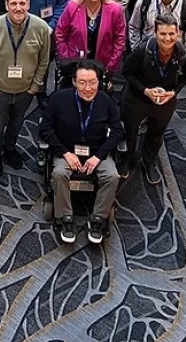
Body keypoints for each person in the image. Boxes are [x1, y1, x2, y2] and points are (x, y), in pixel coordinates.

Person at [40, 60, 124, 244]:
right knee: (60, 173)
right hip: (66, 150)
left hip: (96, 152)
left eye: (93, 82)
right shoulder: (58, 99)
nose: (88, 88)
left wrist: (98, 156)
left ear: (99, 82)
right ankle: (65, 219)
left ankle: (97, 219)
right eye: (83, 82)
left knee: (112, 176)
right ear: (74, 82)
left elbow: (118, 130)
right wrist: (65, 153)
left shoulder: (106, 100)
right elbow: (45, 129)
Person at [0, 0, 51, 175]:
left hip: (25, 91)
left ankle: (10, 149)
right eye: (13, 3)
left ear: (28, 4)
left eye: (21, 3)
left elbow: (44, 61)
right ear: (6, 5)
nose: (18, 8)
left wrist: (35, 86)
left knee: (16, 124)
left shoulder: (41, 28)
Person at [121, 14, 186, 185]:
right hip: (137, 98)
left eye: (171, 34)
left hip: (164, 101)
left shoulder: (183, 53)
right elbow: (126, 71)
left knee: (156, 133)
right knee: (130, 131)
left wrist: (174, 93)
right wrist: (145, 90)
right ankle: (126, 158)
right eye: (162, 34)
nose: (167, 38)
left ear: (178, 33)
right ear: (155, 33)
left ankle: (148, 162)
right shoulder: (143, 50)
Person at [56, 0, 128, 80]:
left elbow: (120, 40)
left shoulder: (115, 10)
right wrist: (67, 58)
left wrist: (110, 66)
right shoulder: (72, 7)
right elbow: (60, 33)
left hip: (103, 67)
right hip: (74, 66)